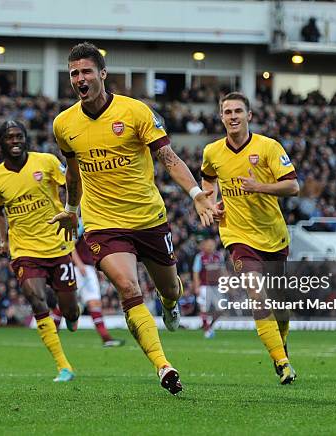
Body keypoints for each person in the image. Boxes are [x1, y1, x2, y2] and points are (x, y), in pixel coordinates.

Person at [50, 42, 216, 395]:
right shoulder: (64, 124)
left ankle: (170, 305)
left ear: (103, 74)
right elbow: (74, 174)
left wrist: (196, 194)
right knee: (128, 288)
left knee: (169, 289)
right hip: (102, 223)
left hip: (148, 218)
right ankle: (163, 365)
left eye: (86, 72)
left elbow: (169, 159)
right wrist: (71, 209)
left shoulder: (135, 111)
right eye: (74, 73)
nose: (80, 78)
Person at [200, 92, 300, 385]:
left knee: (281, 304)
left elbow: (293, 186)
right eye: (227, 112)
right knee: (257, 294)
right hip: (237, 235)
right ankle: (282, 363)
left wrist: (260, 187)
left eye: (238, 111)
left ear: (249, 115)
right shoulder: (212, 151)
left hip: (274, 236)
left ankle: (281, 346)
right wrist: (212, 203)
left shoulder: (268, 147)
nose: (233, 116)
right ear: (221, 117)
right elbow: (208, 178)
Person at [0, 120, 80, 382]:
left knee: (71, 311)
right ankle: (64, 366)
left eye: (19, 136)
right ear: (0, 143)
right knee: (36, 299)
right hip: (24, 249)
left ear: (25, 139)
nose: (15, 141)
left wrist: (73, 213)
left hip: (57, 244)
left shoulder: (46, 162)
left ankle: (71, 318)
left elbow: (72, 181)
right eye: (9, 137)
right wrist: (4, 240)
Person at [51, 219, 125, 347]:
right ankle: (51, 334)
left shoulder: (93, 221)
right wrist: (79, 264)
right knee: (66, 303)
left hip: (88, 268)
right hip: (78, 268)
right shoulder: (80, 222)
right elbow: (70, 244)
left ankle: (106, 338)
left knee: (94, 303)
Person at [192, 238, 226, 339]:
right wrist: (197, 286)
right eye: (209, 245)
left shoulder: (219, 256)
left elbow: (222, 270)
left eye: (212, 245)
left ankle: (209, 326)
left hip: (216, 286)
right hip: (204, 286)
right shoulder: (200, 257)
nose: (211, 247)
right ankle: (207, 330)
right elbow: (196, 272)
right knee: (204, 308)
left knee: (221, 308)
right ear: (205, 246)